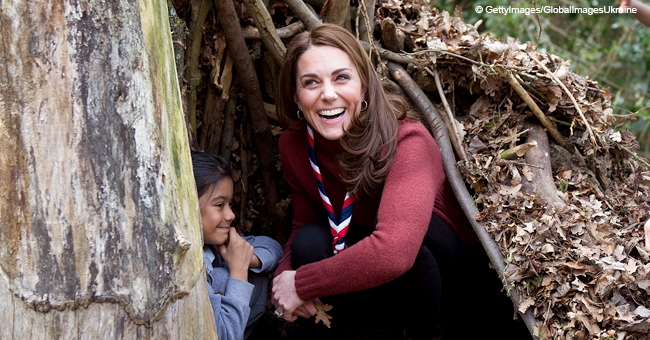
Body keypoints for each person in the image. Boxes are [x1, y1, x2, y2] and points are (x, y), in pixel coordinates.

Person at [271, 24, 528, 340]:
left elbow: (396, 252)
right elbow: (303, 223)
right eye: (311, 83)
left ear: (363, 87)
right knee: (309, 241)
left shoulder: (406, 139)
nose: (328, 94)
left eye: (341, 78)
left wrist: (303, 282)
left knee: (416, 247)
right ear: (295, 96)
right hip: (368, 265)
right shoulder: (294, 145)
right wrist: (284, 279)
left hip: (445, 278)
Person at [192, 150, 283, 340]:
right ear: (188, 203)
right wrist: (238, 272)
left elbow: (272, 248)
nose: (230, 215)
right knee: (222, 276)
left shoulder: (214, 245)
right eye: (219, 205)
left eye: (230, 204)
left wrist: (248, 259)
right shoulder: (189, 265)